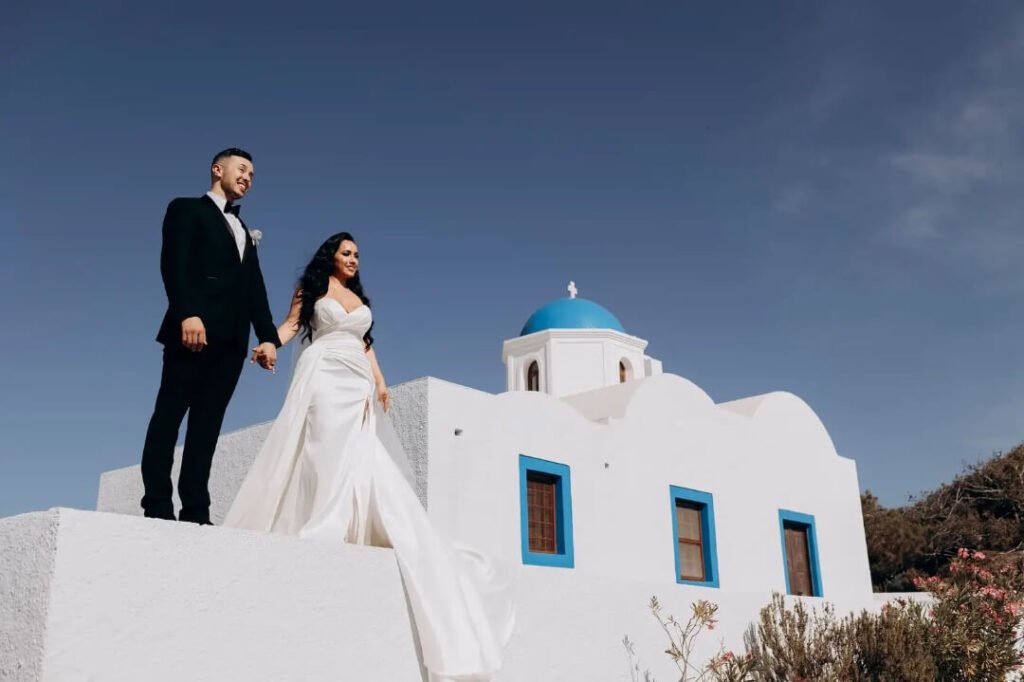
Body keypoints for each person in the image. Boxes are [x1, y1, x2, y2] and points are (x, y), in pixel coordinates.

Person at [225, 233, 513, 681]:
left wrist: (380, 381)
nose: (354, 260)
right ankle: (322, 520)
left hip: (356, 376)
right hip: (322, 372)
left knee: (357, 451)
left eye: (358, 254)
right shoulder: (312, 289)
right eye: (346, 253)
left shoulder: (358, 299)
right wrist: (268, 344)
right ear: (330, 256)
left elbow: (365, 342)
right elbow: (289, 325)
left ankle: (350, 521)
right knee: (321, 443)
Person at [140, 148, 280, 524]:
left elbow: (256, 289)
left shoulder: (244, 232)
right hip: (192, 331)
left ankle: (197, 510)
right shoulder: (185, 208)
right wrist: (188, 313)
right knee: (169, 416)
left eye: (253, 173)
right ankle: (156, 504)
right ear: (218, 169)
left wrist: (267, 337)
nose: (248, 177)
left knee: (207, 425)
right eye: (242, 169)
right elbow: (174, 263)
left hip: (232, 342)